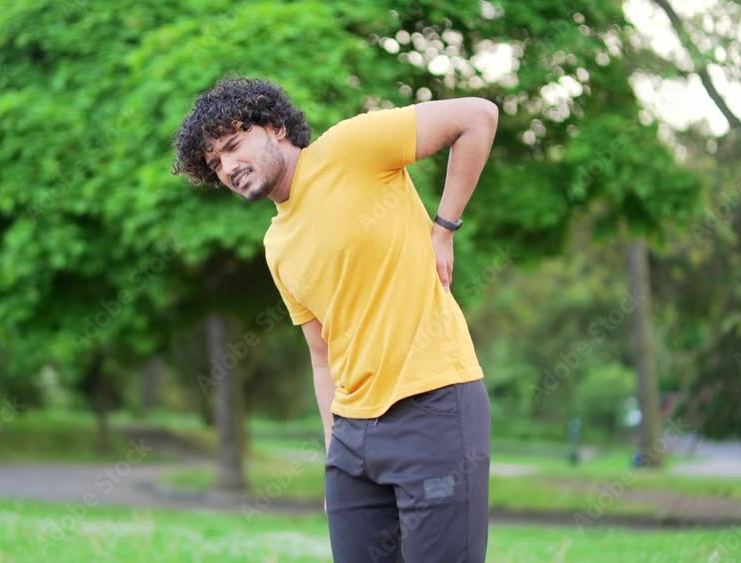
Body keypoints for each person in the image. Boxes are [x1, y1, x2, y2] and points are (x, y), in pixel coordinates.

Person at [173, 76, 498, 563]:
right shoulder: (277, 245)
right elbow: (321, 356)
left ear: (276, 125)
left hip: (433, 407)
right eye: (215, 163)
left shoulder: (351, 147)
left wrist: (445, 227)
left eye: (234, 145)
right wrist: (336, 453)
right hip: (353, 440)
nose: (228, 167)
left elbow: (478, 116)